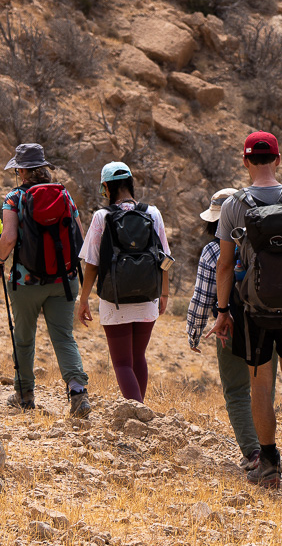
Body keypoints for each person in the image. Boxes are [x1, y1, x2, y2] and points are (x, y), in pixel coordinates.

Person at [214, 131, 282, 490]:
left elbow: (225, 266)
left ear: (245, 162)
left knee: (260, 385)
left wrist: (221, 310)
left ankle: (269, 464)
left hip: (253, 311)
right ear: (278, 159)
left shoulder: (233, 206)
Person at [0, 143, 92, 416]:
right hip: (64, 280)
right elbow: (80, 239)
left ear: (22, 171)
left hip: (26, 282)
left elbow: (9, 238)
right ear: (44, 168)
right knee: (63, 337)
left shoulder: (14, 197)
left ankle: (24, 395)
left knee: (24, 338)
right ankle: (77, 393)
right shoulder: (64, 195)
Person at [185, 187, 267, 476]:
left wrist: (194, 331)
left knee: (236, 391)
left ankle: (253, 452)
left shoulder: (212, 251)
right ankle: (269, 452)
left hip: (229, 326)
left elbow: (202, 297)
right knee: (263, 388)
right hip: (267, 322)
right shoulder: (264, 242)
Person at [77, 161, 172, 402]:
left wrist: (84, 298)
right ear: (130, 184)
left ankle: (137, 411)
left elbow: (92, 263)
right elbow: (166, 258)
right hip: (148, 295)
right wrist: (165, 293)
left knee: (121, 362)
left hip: (114, 299)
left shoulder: (102, 216)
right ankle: (141, 409)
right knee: (138, 356)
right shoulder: (152, 213)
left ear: (107, 188)